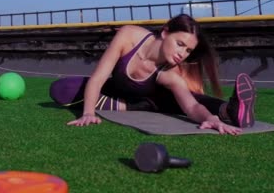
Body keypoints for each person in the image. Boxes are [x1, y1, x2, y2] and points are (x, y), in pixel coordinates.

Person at [49, 14, 257, 135]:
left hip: (150, 99)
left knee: (181, 99)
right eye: (180, 44)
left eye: (187, 51)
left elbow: (192, 106)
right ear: (165, 32)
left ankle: (228, 111)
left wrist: (211, 119)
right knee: (61, 89)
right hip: (116, 89)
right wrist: (88, 113)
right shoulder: (129, 36)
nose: (181, 54)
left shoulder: (169, 73)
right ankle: (124, 106)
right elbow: (99, 76)